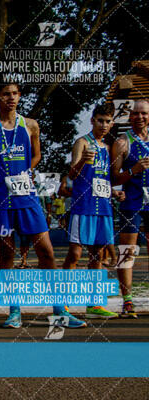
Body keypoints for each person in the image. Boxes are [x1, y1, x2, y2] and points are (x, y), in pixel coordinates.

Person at [0, 83, 86, 329]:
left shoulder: (30, 125)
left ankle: (59, 310)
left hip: (27, 197)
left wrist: (26, 170)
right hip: (0, 199)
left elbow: (37, 155)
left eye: (14, 94)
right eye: (5, 94)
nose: (10, 98)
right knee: (7, 255)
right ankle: (14, 312)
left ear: (19, 97)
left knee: (47, 252)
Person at [61, 103, 121, 319]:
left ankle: (94, 303)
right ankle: (63, 303)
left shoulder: (107, 148)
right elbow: (72, 175)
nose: (103, 125)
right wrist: (82, 163)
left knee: (98, 255)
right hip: (83, 206)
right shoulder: (82, 142)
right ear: (92, 120)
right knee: (75, 254)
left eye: (107, 121)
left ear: (112, 123)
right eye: (100, 120)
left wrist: (114, 193)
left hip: (103, 207)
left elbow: (102, 180)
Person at [110, 99, 149, 318]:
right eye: (135, 114)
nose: (139, 117)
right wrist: (133, 170)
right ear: (129, 116)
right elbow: (114, 176)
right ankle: (127, 301)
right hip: (132, 202)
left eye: (143, 114)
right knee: (127, 252)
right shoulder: (122, 142)